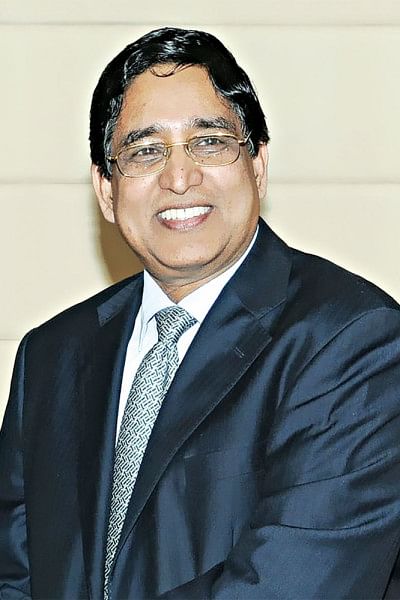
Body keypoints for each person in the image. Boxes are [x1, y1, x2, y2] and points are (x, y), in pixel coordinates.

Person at [1, 26, 400, 600]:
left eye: (209, 142)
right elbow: (15, 576)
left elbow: (290, 586)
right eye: (146, 151)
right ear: (106, 190)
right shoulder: (49, 356)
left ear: (257, 164)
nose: (179, 176)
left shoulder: (355, 342)